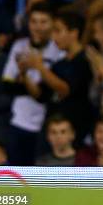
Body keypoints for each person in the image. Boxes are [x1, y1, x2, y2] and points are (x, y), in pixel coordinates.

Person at [20, 11, 96, 146]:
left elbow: (65, 89)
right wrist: (24, 74)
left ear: (74, 33)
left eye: (58, 31)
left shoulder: (85, 61)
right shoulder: (59, 64)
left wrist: (40, 67)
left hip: (76, 130)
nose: (53, 37)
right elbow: (40, 95)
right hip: (51, 128)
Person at [3, 2, 64, 165]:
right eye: (34, 22)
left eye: (43, 22)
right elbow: (8, 85)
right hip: (19, 122)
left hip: (48, 126)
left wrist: (25, 75)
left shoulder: (59, 50)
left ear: (53, 23)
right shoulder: (19, 46)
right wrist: (31, 82)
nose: (38, 27)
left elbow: (46, 95)